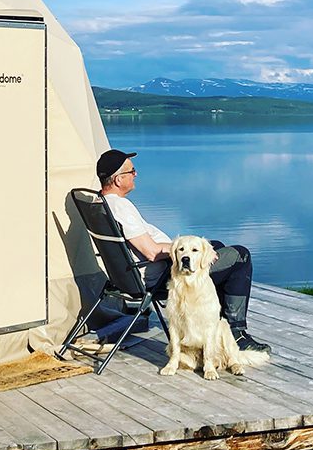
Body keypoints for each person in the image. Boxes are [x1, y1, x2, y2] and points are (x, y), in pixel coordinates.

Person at [95, 147, 270, 354]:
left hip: (129, 275)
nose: (136, 174)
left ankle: (216, 327)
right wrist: (180, 249)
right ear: (118, 180)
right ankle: (236, 334)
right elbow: (151, 252)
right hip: (162, 276)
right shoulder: (121, 208)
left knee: (216, 246)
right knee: (240, 256)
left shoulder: (100, 203)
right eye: (132, 171)